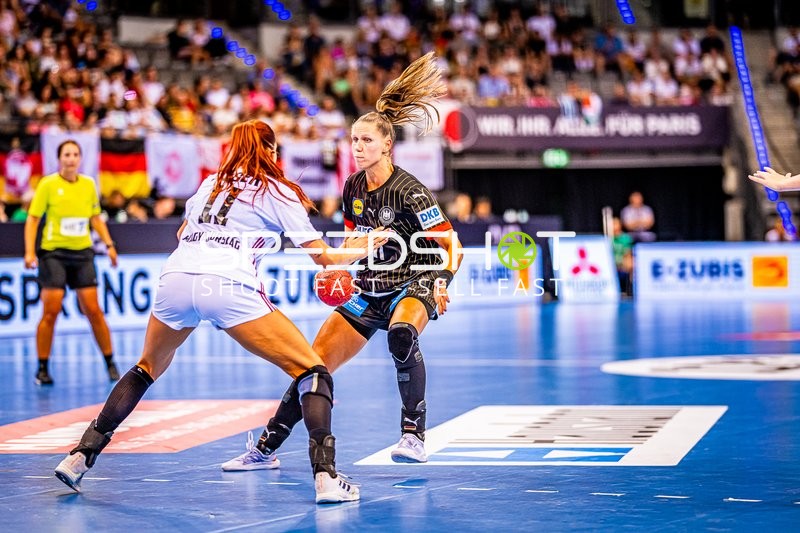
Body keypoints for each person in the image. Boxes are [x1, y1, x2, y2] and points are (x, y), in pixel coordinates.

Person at [53, 120, 381, 504]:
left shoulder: (211, 183)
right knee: (312, 371)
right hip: (226, 285)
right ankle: (325, 476)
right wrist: (368, 243)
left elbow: (182, 235)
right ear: (271, 151)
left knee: (146, 367)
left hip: (176, 278)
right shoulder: (276, 189)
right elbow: (323, 256)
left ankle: (80, 455)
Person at [222, 52, 461, 471]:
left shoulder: (411, 190)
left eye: (366, 140)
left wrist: (441, 281)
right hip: (369, 287)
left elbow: (451, 244)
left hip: (415, 279)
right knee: (310, 365)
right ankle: (264, 449)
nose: (357, 147)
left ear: (387, 144)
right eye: (353, 140)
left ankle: (413, 436)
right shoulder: (352, 185)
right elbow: (355, 237)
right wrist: (339, 268)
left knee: (402, 333)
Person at [24, 140, 120, 386]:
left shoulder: (88, 184)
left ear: (80, 158)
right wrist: (29, 253)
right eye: (67, 154)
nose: (71, 158)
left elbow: (95, 218)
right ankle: (42, 369)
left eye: (75, 154)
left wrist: (109, 245)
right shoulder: (48, 184)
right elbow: (33, 220)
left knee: (94, 310)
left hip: (82, 254)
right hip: (54, 253)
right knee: (51, 311)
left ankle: (110, 363)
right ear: (59, 158)